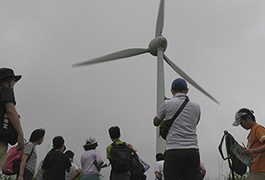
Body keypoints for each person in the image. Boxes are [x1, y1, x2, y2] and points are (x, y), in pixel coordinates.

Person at [153, 78, 201, 180]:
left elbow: (156, 122)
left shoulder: (167, 104)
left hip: (174, 150)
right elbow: (195, 123)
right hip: (192, 150)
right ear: (187, 90)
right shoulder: (196, 106)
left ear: (172, 91)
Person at [0, 67, 24, 168]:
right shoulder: (6, 91)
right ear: (9, 80)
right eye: (13, 81)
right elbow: (10, 111)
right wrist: (20, 134)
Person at [233, 108, 265, 180]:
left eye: (241, 123)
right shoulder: (252, 132)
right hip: (255, 170)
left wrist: (253, 151)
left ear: (248, 117)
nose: (241, 125)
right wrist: (246, 150)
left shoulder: (258, 128)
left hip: (260, 171)